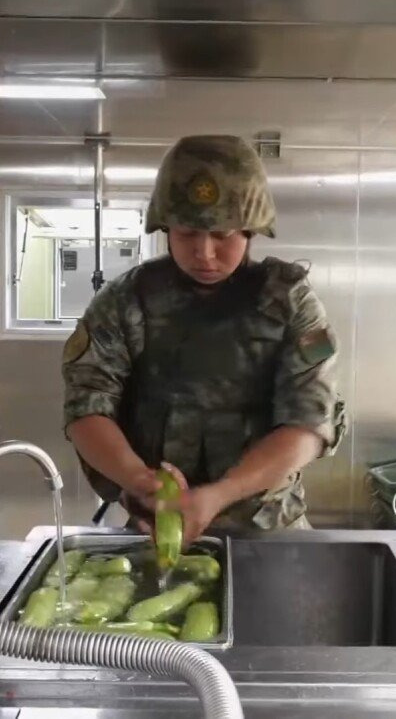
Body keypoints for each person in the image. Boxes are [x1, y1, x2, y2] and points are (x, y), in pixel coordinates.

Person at [61, 134, 347, 547]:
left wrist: (216, 496)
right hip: (157, 528)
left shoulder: (290, 304)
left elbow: (309, 424)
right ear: (165, 227)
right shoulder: (125, 302)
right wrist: (142, 482)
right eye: (187, 233)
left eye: (222, 235)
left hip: (268, 532)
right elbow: (86, 409)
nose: (205, 253)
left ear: (250, 230)